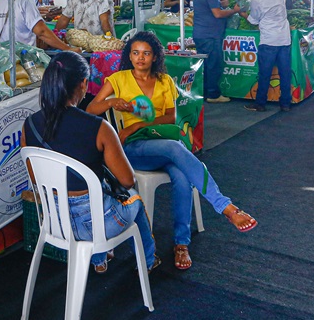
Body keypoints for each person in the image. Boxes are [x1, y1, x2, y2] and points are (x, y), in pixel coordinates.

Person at [87, 32, 257, 270]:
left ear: (154, 56)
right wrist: (111, 103)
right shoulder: (118, 79)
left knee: (181, 175)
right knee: (176, 149)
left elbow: (171, 116)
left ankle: (181, 244)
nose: (140, 58)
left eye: (146, 53)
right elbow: (91, 109)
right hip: (133, 149)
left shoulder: (164, 80)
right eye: (135, 53)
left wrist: (139, 123)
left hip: (161, 144)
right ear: (129, 55)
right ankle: (226, 207)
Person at [23, 51, 159, 275]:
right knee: (134, 198)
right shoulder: (99, 128)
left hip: (54, 223)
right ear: (84, 83)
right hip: (98, 225)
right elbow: (127, 180)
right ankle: (148, 261)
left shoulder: (29, 125)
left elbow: (36, 178)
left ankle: (99, 261)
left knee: (94, 190)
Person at [239, 0, 291, 112]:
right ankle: (285, 103)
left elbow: (253, 20)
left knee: (265, 73)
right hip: (284, 38)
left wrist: (242, 14)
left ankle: (260, 103)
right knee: (285, 73)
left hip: (269, 39)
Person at [193, 0, 242, 103]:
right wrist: (233, 11)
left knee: (205, 66)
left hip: (200, 33)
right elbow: (218, 14)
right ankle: (213, 95)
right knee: (213, 65)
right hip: (210, 35)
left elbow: (212, 7)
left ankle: (204, 92)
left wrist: (223, 3)